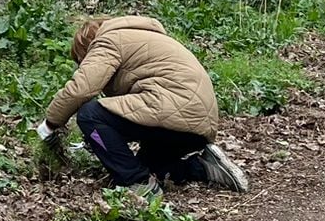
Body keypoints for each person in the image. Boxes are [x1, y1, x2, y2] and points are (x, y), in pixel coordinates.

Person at [41, 16, 249, 193]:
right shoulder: (147, 37)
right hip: (196, 126)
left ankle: (138, 184)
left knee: (89, 115)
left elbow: (82, 89)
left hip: (171, 111)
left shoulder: (109, 40)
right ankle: (202, 166)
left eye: (82, 60)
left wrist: (50, 124)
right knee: (147, 167)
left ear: (86, 46)